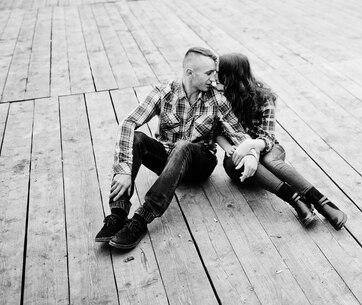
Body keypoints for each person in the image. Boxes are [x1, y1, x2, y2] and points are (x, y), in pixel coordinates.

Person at [95, 47, 259, 249]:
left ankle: (141, 219)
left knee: (183, 146)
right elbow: (128, 123)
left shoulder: (217, 99)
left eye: (214, 72)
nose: (214, 78)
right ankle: (117, 215)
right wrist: (124, 169)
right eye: (209, 73)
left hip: (199, 164)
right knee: (137, 138)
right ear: (189, 72)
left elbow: (238, 133)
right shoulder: (164, 93)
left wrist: (252, 151)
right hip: (167, 160)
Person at [216, 53, 347, 230]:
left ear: (228, 75)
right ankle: (296, 200)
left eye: (218, 72)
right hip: (237, 158)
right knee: (236, 161)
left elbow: (268, 137)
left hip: (268, 148)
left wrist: (252, 146)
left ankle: (322, 203)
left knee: (268, 160)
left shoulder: (262, 95)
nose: (215, 76)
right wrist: (234, 148)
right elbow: (214, 130)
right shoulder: (218, 96)